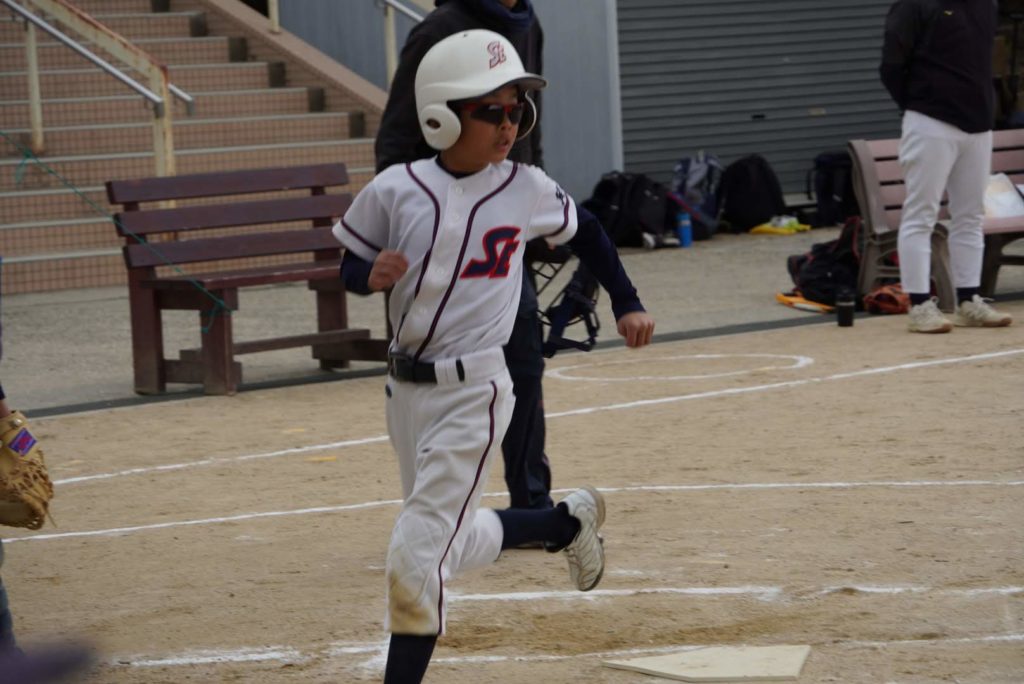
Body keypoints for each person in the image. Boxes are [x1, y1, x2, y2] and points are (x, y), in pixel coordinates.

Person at [334, 30, 655, 683]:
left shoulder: (525, 188)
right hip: (404, 392)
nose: (509, 125)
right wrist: (367, 275)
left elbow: (589, 231)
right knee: (448, 541)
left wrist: (627, 300)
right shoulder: (397, 188)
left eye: (516, 110)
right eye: (491, 111)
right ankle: (562, 526)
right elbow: (349, 263)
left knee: (416, 552)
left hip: (475, 390)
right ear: (441, 115)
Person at [375, 0, 558, 513]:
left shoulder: (529, 23)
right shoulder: (439, 29)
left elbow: (530, 128)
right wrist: (412, 223)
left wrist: (536, 206)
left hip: (501, 228)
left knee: (524, 362)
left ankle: (531, 502)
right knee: (433, 374)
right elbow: (396, 140)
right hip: (444, 235)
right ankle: (434, 506)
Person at [880, 0, 1012, 333]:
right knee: (921, 213)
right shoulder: (913, 5)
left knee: (971, 215)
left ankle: (969, 300)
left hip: (979, 125)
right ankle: (920, 305)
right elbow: (891, 66)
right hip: (930, 122)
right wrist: (922, 102)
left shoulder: (987, 4)